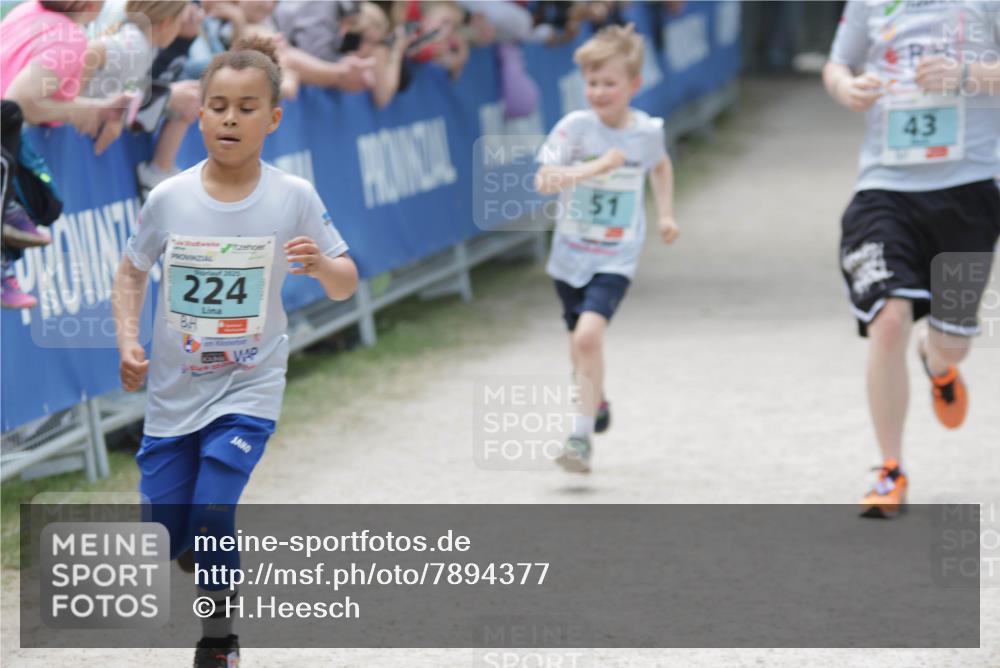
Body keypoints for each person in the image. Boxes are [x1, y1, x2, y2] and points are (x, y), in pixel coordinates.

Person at [111, 35, 359, 666]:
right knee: (165, 535)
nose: (229, 117)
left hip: (249, 386)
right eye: (217, 104)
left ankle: (219, 641)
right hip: (174, 393)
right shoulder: (169, 197)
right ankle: (198, 543)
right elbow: (132, 271)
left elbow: (347, 279)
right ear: (200, 114)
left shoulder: (292, 196)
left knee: (215, 504)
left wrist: (322, 266)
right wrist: (127, 339)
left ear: (272, 119)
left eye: (247, 107)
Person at [823, 1, 1000, 518]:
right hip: (885, 187)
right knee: (888, 319)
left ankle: (938, 363)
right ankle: (889, 469)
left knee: (953, 343)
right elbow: (837, 63)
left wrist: (969, 74)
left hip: (969, 191)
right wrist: (845, 88)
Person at [534, 23, 678, 473]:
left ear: (634, 84)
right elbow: (544, 181)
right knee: (578, 347)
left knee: (588, 336)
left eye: (608, 83)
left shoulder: (646, 132)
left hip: (616, 255)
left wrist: (667, 214)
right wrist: (595, 166)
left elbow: (660, 164)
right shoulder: (574, 129)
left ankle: (579, 440)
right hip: (569, 255)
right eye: (591, 83)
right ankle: (594, 402)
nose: (598, 92)